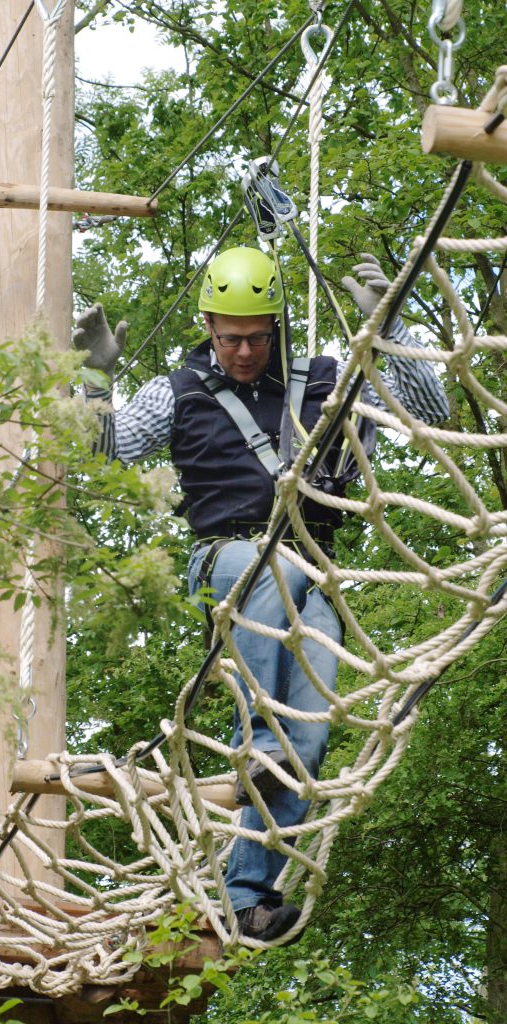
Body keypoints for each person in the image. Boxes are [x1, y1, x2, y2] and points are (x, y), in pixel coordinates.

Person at [72, 246, 449, 942]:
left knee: (310, 730)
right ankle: (259, 742)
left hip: (314, 570)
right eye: (229, 338)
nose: (243, 352)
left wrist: (393, 334)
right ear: (208, 327)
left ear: (275, 327)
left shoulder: (325, 381)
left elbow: (433, 415)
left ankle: (247, 894)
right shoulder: (179, 391)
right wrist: (95, 379)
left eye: (255, 337)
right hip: (228, 558)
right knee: (264, 571)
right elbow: (106, 454)